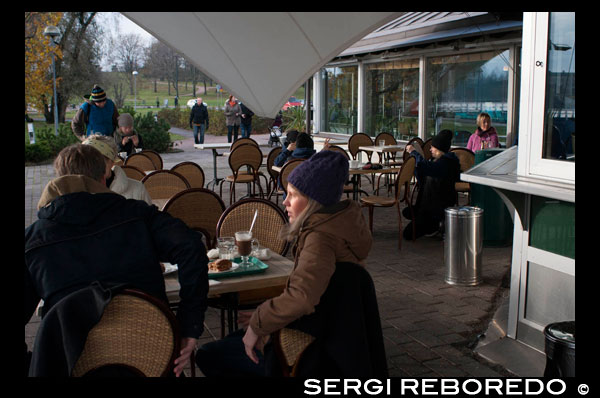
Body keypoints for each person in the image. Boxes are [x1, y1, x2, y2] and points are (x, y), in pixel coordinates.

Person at [24, 144, 209, 377]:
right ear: (104, 177)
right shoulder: (137, 215)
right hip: (154, 358)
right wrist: (189, 325)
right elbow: (191, 246)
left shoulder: (33, 240)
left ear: (61, 180)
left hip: (72, 362)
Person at [195, 150, 373, 376]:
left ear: (312, 202)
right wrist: (266, 316)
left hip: (306, 354)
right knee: (233, 339)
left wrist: (259, 323)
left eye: (293, 195)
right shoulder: (340, 224)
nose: (285, 201)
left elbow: (302, 298)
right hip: (333, 339)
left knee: (209, 353)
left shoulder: (320, 239)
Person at [403, 129, 460, 239]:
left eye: (432, 147)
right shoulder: (439, 161)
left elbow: (426, 167)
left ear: (439, 149)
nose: (430, 149)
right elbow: (423, 177)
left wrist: (414, 153)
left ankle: (435, 225)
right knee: (407, 213)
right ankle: (424, 219)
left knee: (408, 235)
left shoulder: (445, 164)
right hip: (430, 204)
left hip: (435, 209)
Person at [82, 134, 152, 205]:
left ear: (111, 162)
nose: (92, 167)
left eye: (98, 162)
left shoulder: (137, 190)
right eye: (86, 162)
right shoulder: (77, 192)